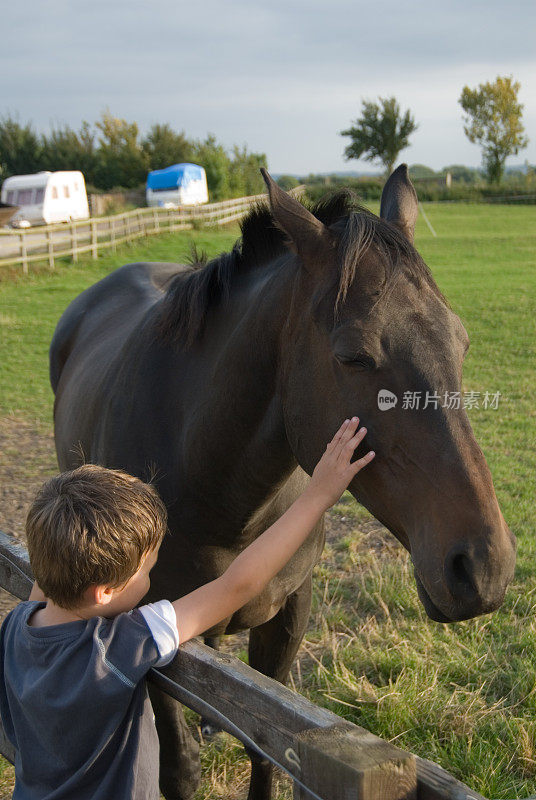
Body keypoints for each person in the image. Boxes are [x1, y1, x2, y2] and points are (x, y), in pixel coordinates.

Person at [0, 417, 374, 799]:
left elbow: (47, 574)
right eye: (146, 570)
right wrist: (316, 497)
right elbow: (236, 585)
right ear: (105, 592)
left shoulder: (16, 626)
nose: (150, 579)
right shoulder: (117, 648)